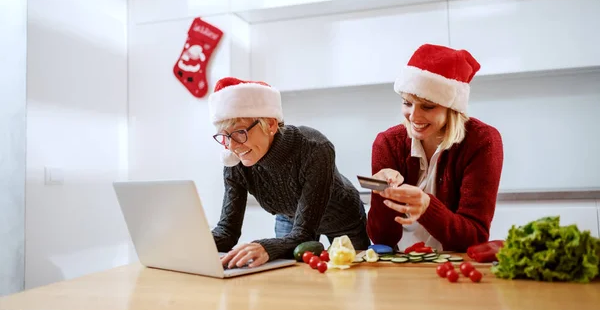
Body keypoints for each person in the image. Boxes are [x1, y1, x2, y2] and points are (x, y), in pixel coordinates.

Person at [208, 77, 370, 268]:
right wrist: (189, 243)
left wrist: (264, 246)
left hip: (341, 217)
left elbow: (304, 236)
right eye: (225, 136)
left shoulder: (315, 148)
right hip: (291, 217)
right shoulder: (235, 161)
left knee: (354, 276)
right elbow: (227, 232)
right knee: (290, 276)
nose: (232, 146)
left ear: (270, 124)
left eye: (239, 132)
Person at [367, 44, 503, 252]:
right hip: (400, 267)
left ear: (452, 108)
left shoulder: (482, 141)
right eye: (407, 103)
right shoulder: (387, 143)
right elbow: (382, 239)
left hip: (455, 266)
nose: (413, 116)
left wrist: (427, 207)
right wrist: (381, 191)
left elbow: (475, 236)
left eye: (427, 106)